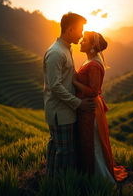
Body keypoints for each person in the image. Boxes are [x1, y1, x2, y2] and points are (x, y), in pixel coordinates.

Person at [43, 13, 96, 177]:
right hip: (61, 112)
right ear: (70, 29)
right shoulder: (56, 53)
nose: (81, 35)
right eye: (80, 30)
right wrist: (79, 103)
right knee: (65, 153)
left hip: (64, 110)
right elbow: (55, 86)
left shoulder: (66, 49)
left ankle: (51, 182)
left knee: (56, 148)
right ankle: (59, 186)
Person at [73, 31, 128, 183]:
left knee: (93, 141)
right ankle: (90, 173)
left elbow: (93, 91)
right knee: (87, 140)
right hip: (86, 107)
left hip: (91, 109)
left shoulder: (94, 65)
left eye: (84, 41)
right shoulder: (89, 61)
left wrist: (74, 81)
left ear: (92, 46)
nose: (80, 42)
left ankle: (99, 177)